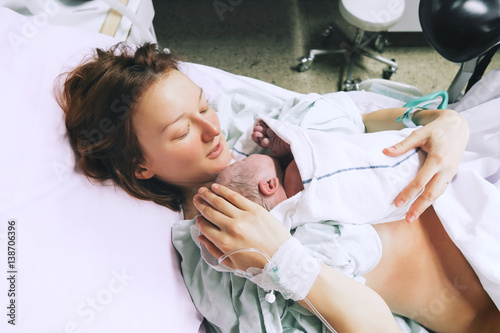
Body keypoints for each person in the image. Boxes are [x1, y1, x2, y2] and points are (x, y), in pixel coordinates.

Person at [57, 42, 499, 332]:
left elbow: (363, 120)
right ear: (140, 167)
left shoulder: (249, 130)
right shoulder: (214, 259)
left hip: (470, 189)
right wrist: (284, 261)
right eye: (181, 133)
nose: (212, 129)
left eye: (203, 105)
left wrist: (443, 122)